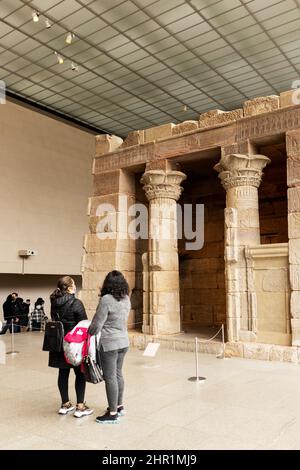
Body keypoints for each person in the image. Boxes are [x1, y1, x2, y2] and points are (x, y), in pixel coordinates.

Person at [88, 270, 131, 424]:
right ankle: (119, 406)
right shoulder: (126, 298)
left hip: (109, 343)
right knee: (118, 374)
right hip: (124, 341)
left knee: (110, 377)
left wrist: (89, 331)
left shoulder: (106, 299)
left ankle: (112, 414)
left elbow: (97, 325)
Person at [49, 276, 93, 418]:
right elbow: (83, 324)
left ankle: (65, 404)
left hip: (58, 342)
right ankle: (80, 406)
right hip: (74, 344)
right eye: (73, 284)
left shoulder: (54, 302)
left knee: (63, 373)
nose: (75, 286)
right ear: (69, 288)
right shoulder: (76, 303)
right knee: (80, 374)